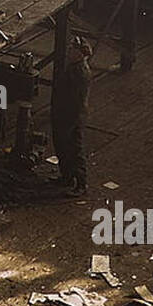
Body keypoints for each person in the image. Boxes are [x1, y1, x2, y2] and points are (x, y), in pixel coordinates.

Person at [51, 34, 92, 193]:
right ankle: (66, 178)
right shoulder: (74, 67)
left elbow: (74, 99)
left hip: (71, 116)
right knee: (63, 147)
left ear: (80, 53)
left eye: (72, 49)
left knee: (73, 149)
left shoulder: (80, 72)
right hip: (67, 114)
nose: (69, 51)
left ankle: (80, 184)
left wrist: (68, 118)